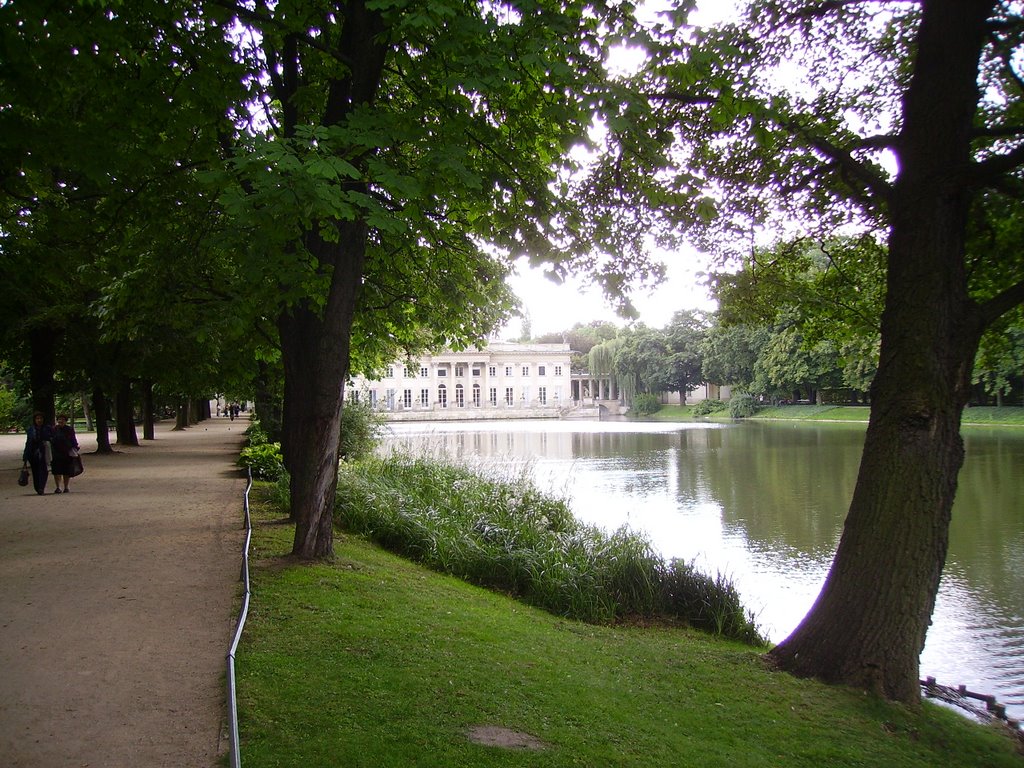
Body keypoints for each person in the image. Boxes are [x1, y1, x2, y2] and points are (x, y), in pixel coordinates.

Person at [22, 412, 54, 496]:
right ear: (34, 420)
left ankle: (41, 487)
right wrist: (25, 456)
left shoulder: (47, 428)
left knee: (43, 470)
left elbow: (52, 438)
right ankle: (37, 487)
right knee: (35, 471)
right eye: (37, 418)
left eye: (41, 418)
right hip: (33, 452)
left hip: (44, 452)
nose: (39, 420)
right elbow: (28, 442)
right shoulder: (31, 429)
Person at [50, 413, 80, 494]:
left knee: (66, 471)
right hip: (56, 453)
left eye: (63, 420)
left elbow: (73, 440)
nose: (61, 421)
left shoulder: (69, 429)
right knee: (56, 471)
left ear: (66, 421)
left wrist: (75, 448)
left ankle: (66, 487)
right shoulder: (54, 429)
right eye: (59, 419)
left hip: (66, 452)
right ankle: (58, 487)